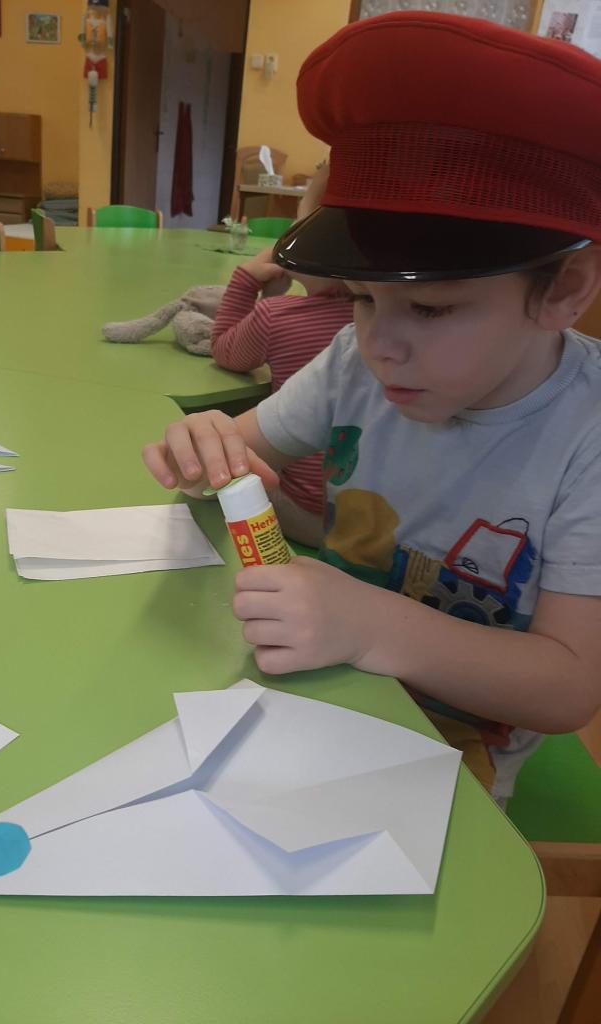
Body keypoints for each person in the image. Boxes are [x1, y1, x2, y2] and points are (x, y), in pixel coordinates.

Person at [142, 12, 601, 804]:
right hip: (317, 681)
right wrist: (204, 448)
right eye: (361, 297)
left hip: (453, 745)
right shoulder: (356, 362)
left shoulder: (585, 434)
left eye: (429, 309)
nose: (380, 344)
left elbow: (567, 688)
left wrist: (368, 625)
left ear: (563, 290)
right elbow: (237, 460)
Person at [210, 233, 354, 545]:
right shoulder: (370, 325)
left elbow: (224, 351)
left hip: (303, 514)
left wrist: (246, 281)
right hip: (374, 524)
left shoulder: (276, 315)